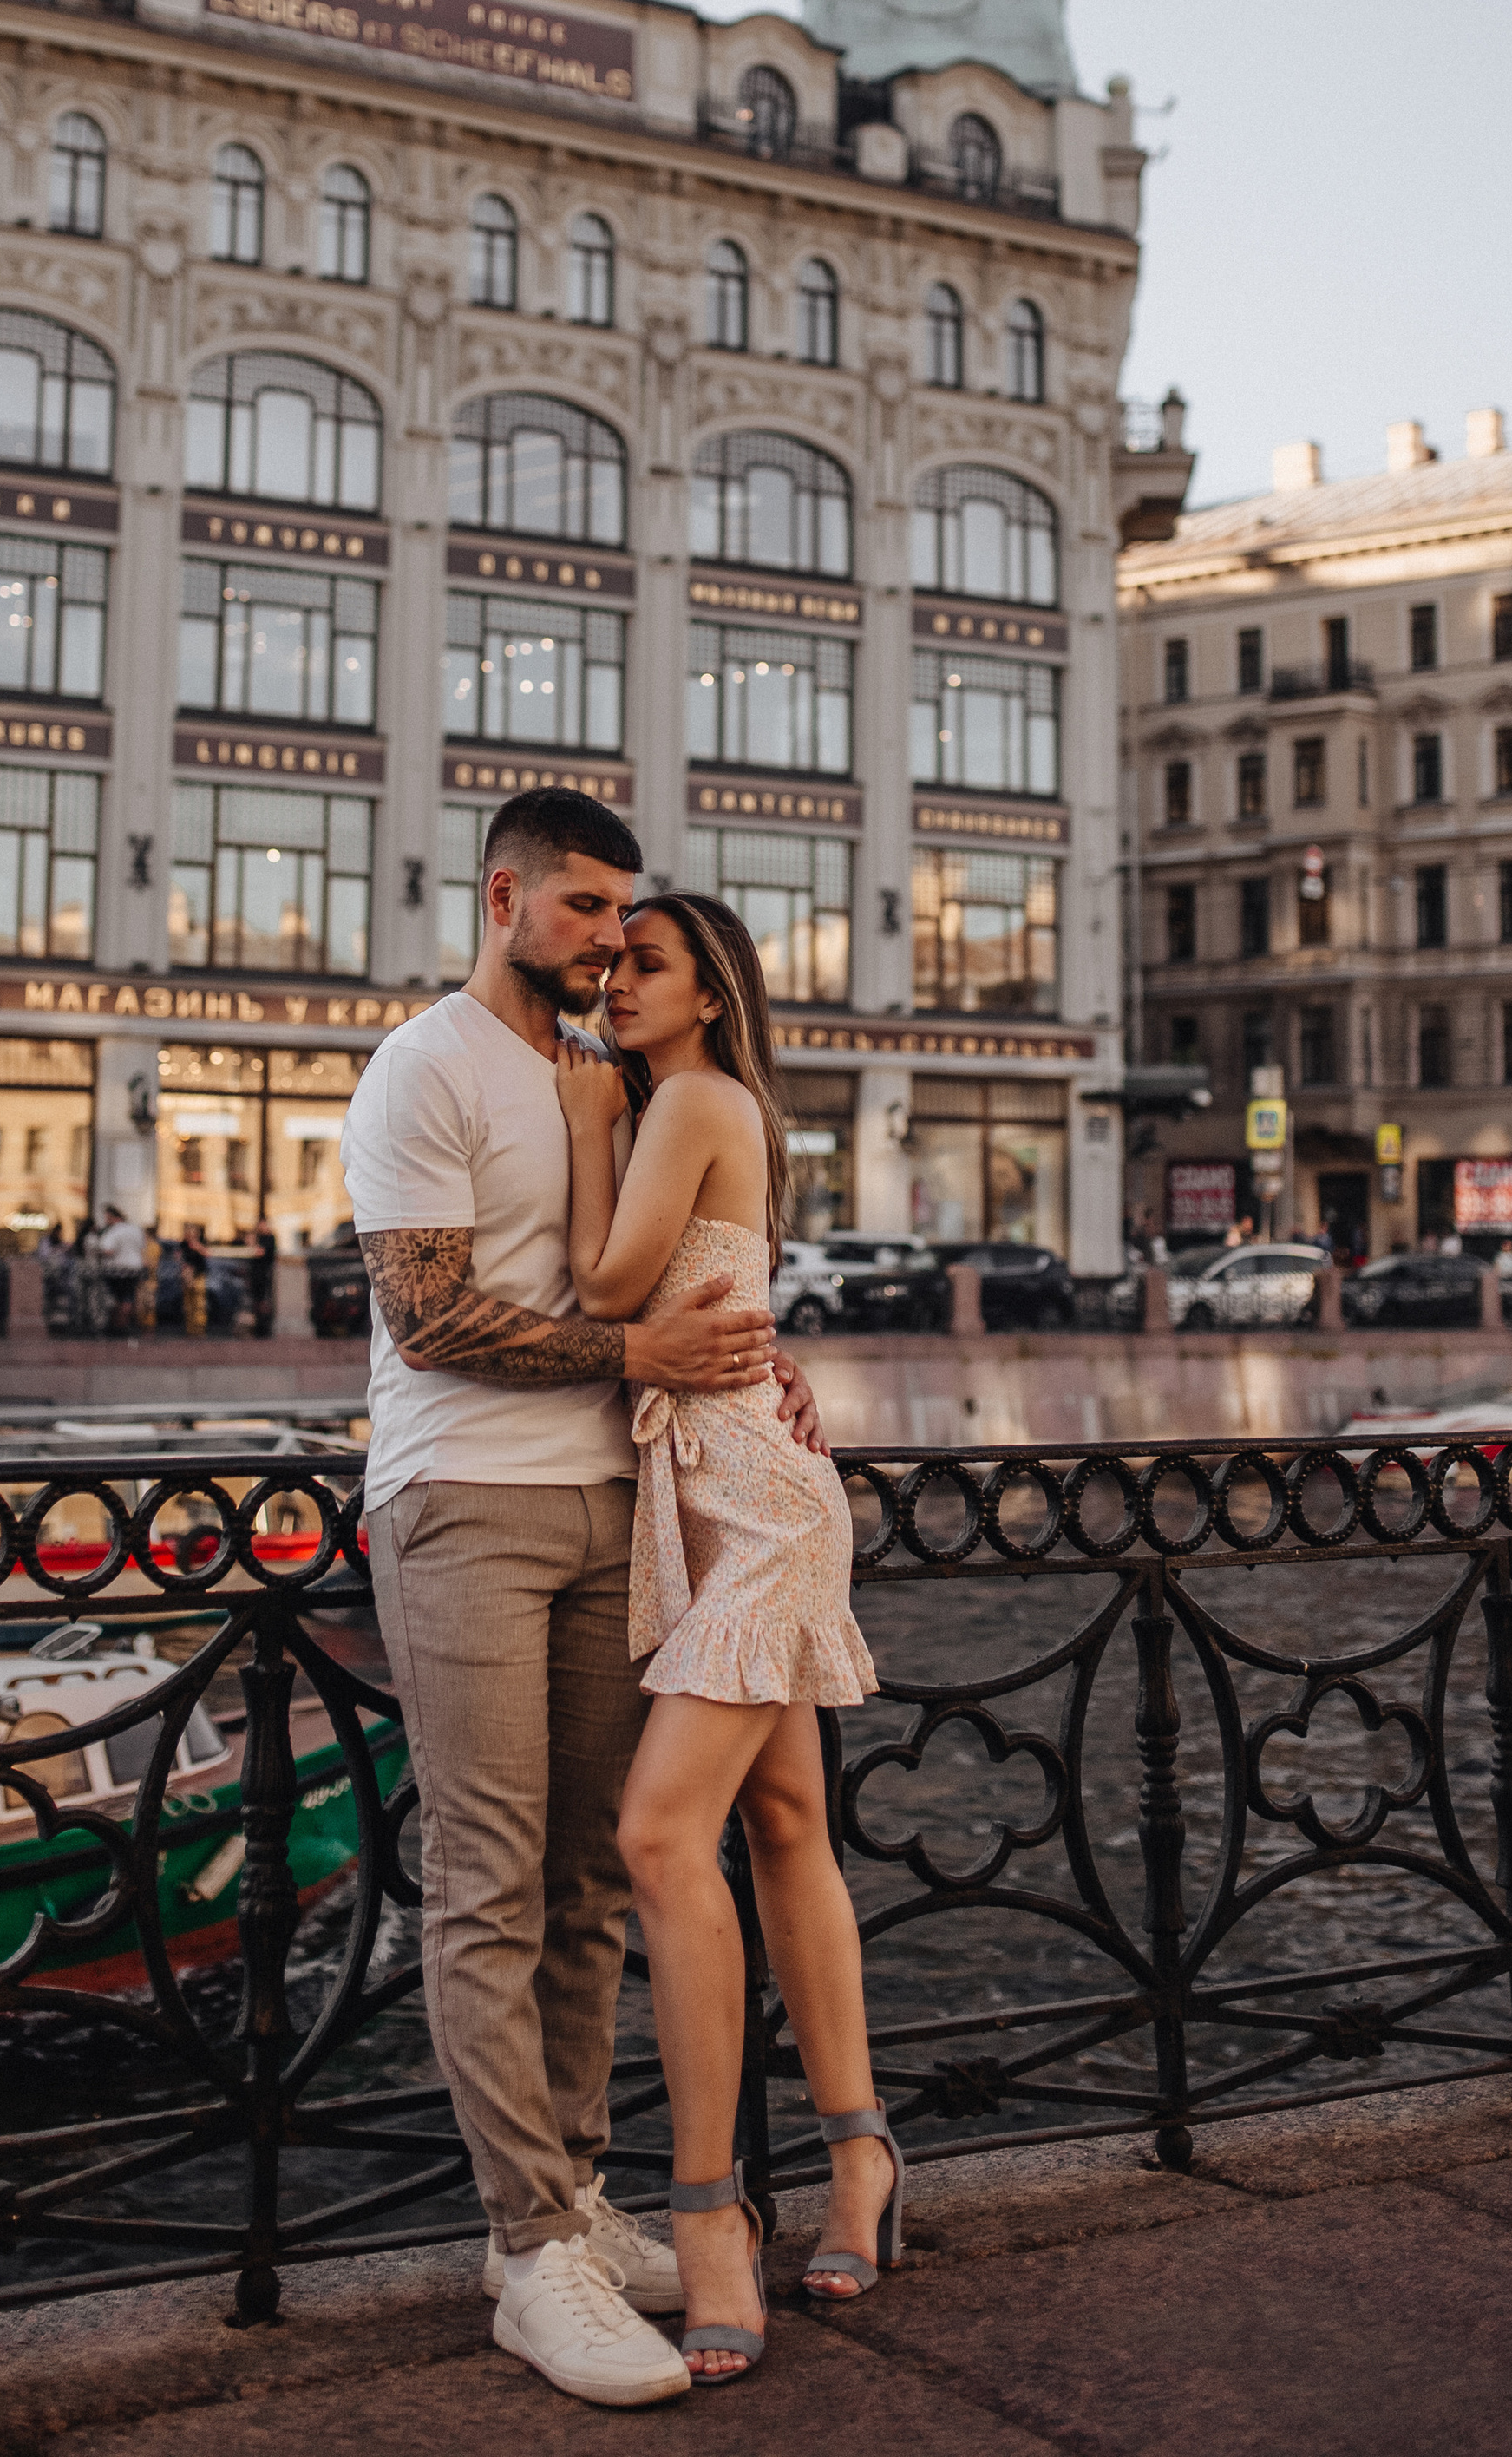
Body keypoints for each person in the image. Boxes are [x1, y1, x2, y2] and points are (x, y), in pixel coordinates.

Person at [342, 788, 823, 2412]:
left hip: (622, 1499)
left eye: (627, 915)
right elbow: (427, 1317)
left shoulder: (614, 1075)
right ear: (504, 899)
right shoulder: (424, 1067)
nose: (612, 939)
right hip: (462, 1498)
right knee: (484, 1876)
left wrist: (760, 1354)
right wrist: (638, 1348)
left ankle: (577, 2195)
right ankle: (531, 2250)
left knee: (589, 1882)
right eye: (585, 907)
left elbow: (686, 1251)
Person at [559, 894, 895, 2383]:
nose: (617, 985)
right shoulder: (692, 1106)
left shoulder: (688, 1100)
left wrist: (587, 1133)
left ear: (709, 996)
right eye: (613, 964)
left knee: (656, 1836)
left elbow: (608, 1290)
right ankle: (861, 2156)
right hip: (714, 1498)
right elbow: (713, 1291)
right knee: (787, 1825)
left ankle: (710, 2218)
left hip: (757, 1513)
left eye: (648, 966)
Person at [95, 1202, 147, 1332]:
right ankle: (127, 1324)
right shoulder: (135, 1229)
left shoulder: (114, 1231)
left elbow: (108, 1250)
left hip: (117, 1269)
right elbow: (142, 1248)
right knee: (128, 1298)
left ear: (113, 1217)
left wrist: (96, 1252)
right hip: (135, 1268)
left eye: (107, 1218)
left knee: (117, 1299)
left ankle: (118, 1326)